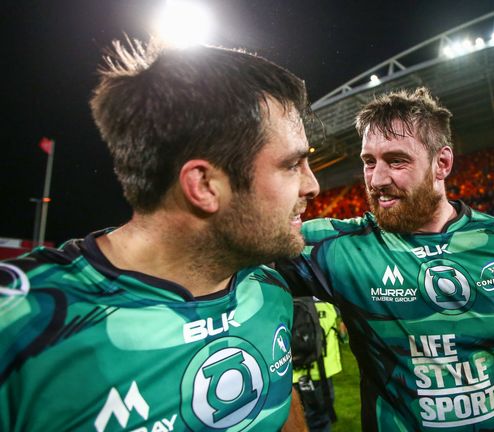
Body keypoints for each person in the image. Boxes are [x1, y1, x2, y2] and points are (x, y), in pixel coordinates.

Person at [0, 40, 319, 432]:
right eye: (292, 165)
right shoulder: (19, 324)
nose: (313, 185)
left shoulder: (270, 289)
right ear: (203, 185)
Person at [278, 87, 494, 431]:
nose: (378, 179)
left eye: (396, 160)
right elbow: (239, 246)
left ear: (442, 163)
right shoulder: (336, 248)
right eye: (369, 162)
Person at [292, 299, 347, 432]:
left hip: (289, 374)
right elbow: (343, 331)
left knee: (293, 423)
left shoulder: (282, 297)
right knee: (319, 421)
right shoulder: (327, 300)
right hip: (319, 373)